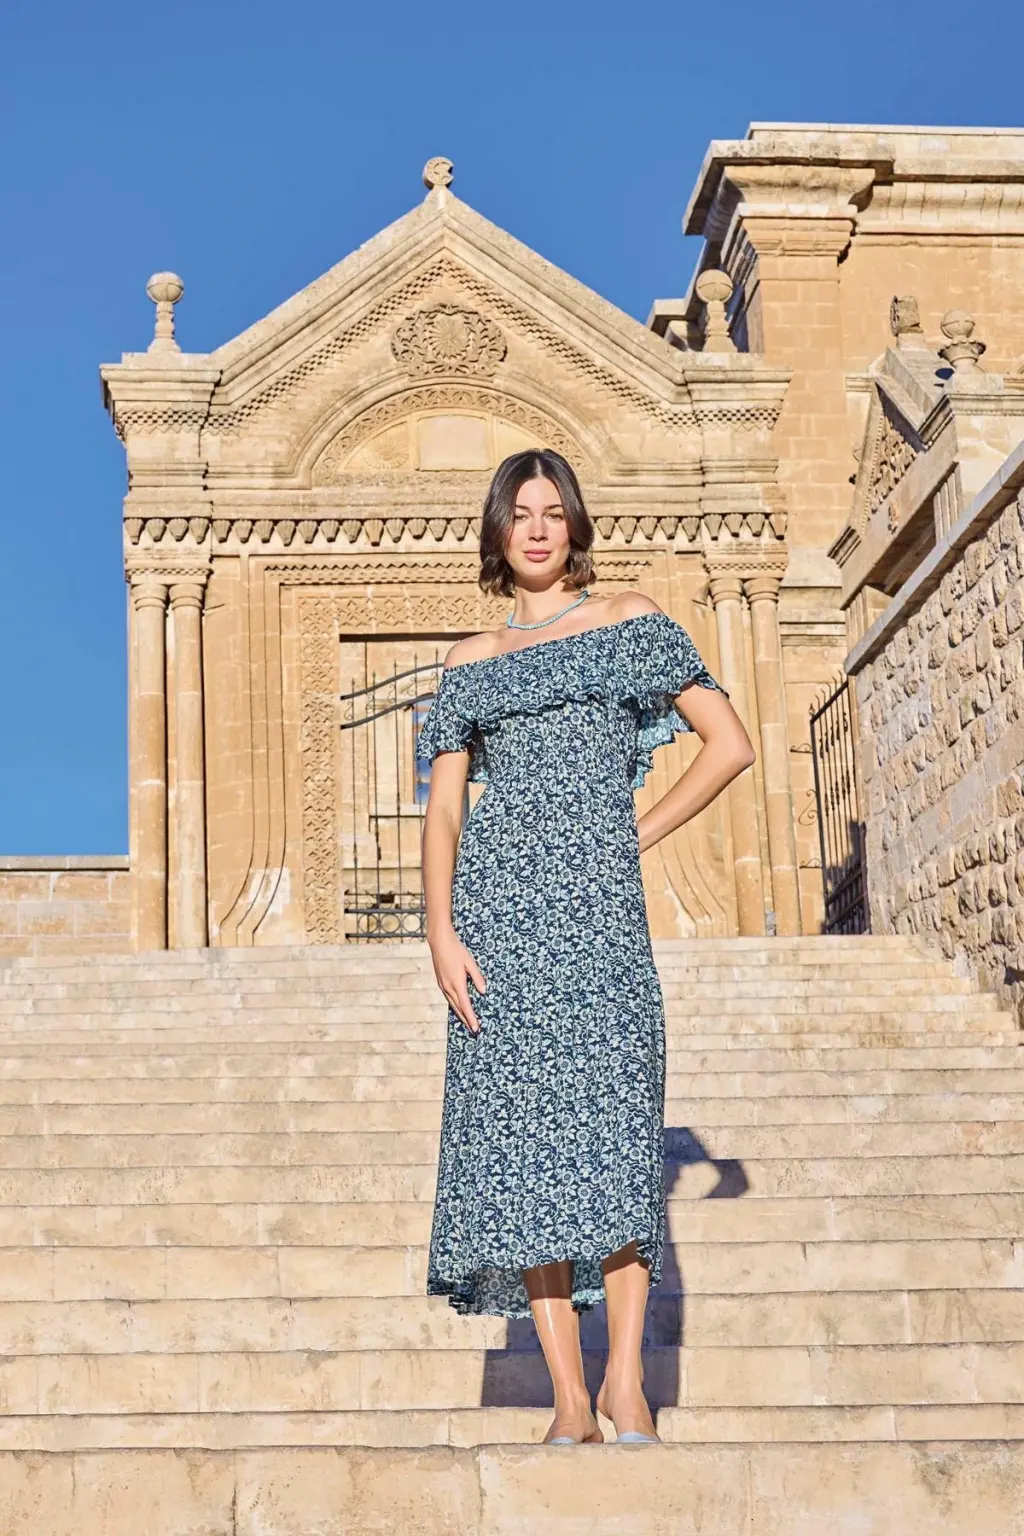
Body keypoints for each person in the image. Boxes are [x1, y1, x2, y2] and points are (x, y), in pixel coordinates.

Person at [416, 448, 756, 1446]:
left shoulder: (629, 620)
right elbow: (444, 811)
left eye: (552, 512)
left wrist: (632, 836)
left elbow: (729, 743)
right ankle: (569, 1396)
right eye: (519, 513)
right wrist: (440, 930)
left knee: (615, 1136)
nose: (536, 529)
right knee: (524, 1147)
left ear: (574, 526)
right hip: (498, 922)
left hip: (602, 920)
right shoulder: (467, 660)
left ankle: (625, 1382)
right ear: (497, 529)